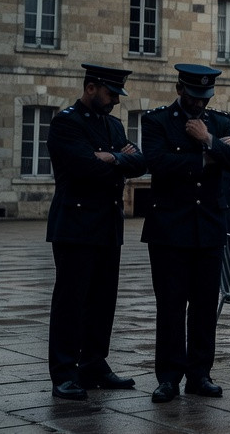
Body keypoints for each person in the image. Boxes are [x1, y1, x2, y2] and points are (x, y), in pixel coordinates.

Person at [140, 64, 230, 403]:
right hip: (169, 229)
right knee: (171, 305)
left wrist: (209, 140)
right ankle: (169, 377)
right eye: (193, 97)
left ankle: (200, 373)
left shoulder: (218, 122)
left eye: (205, 98)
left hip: (209, 227)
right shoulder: (156, 121)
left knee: (204, 305)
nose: (199, 104)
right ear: (179, 90)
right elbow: (156, 162)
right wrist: (205, 160)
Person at [45, 63, 147, 401]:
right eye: (110, 93)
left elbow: (140, 163)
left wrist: (110, 157)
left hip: (107, 224)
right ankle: (63, 372)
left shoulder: (114, 125)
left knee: (103, 300)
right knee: (71, 301)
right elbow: (83, 168)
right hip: (75, 226)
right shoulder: (66, 123)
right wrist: (114, 160)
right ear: (90, 88)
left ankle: (93, 363)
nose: (115, 100)